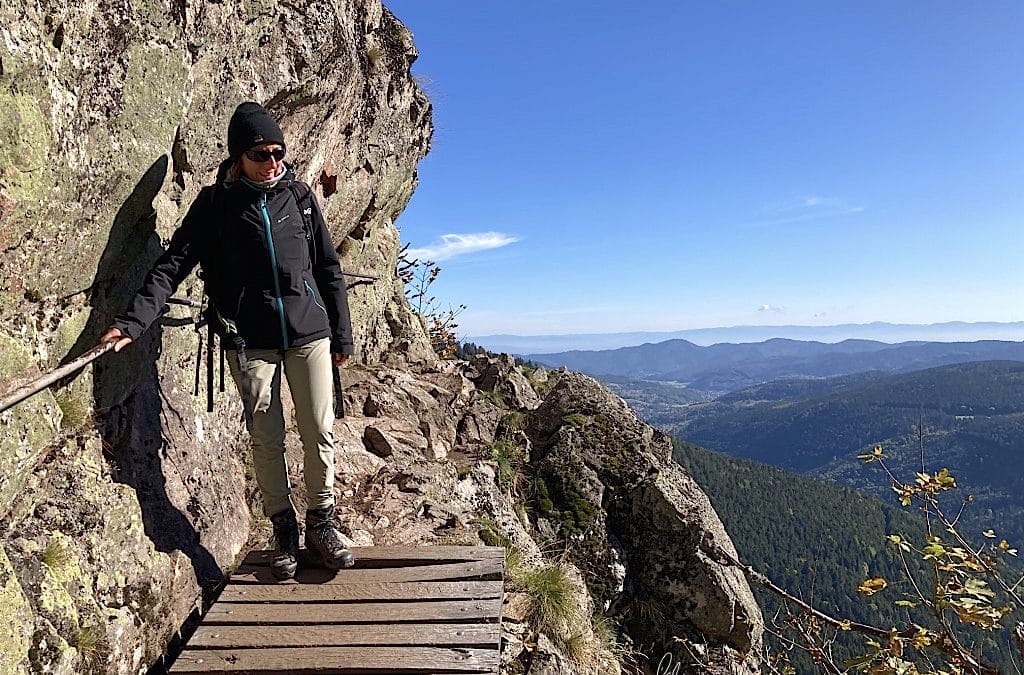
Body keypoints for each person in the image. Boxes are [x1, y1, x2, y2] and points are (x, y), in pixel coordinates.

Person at [101, 101, 356, 580]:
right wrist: (133, 322)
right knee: (266, 435)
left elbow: (328, 269)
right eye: (261, 153)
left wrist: (342, 332)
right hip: (250, 339)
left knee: (319, 427)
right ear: (239, 156)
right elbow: (173, 265)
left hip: (310, 333)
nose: (273, 162)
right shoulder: (215, 206)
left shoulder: (299, 198)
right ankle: (284, 530)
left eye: (279, 152)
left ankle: (323, 523)